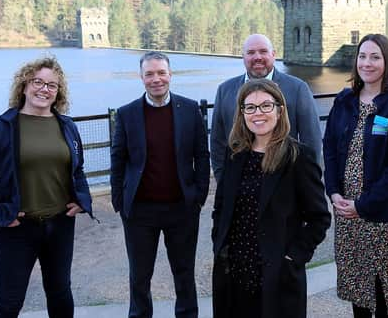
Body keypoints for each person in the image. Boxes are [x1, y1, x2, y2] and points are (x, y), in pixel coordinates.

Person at [0, 56, 94, 318]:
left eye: (52, 85)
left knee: (60, 294)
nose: (44, 89)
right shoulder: (0, 128)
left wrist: (82, 199)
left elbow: (77, 169)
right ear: (23, 86)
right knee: (9, 302)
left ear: (58, 93)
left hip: (61, 225)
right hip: (18, 228)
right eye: (38, 82)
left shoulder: (67, 126)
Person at [211, 78, 331, 318]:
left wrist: (293, 258)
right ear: (242, 113)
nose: (258, 113)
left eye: (266, 105)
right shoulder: (235, 153)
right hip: (233, 273)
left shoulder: (299, 157)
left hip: (276, 276)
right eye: (250, 107)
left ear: (279, 110)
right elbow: (221, 207)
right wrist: (219, 243)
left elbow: (319, 218)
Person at [323, 34, 388, 318]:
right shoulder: (345, 102)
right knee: (358, 289)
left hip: (382, 218)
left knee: (382, 291)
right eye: (362, 56)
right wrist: (334, 192)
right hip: (348, 214)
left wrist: (362, 205)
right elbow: (329, 148)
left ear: (386, 62)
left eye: (375, 57)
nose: (367, 63)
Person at [111, 51, 210, 318]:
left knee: (184, 272)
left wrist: (199, 195)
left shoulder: (189, 110)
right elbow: (118, 159)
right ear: (141, 77)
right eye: (150, 74)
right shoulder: (127, 114)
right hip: (140, 212)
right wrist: (119, 201)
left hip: (182, 208)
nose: (156, 79)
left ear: (170, 75)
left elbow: (202, 155)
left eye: (161, 73)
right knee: (140, 276)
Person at [210, 33, 322, 181]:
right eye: (251, 52)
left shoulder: (298, 88)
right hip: (238, 183)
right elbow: (218, 141)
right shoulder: (225, 90)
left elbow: (311, 140)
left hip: (285, 181)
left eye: (263, 51)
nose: (257, 57)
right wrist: (222, 179)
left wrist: (306, 180)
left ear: (273, 55)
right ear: (243, 57)